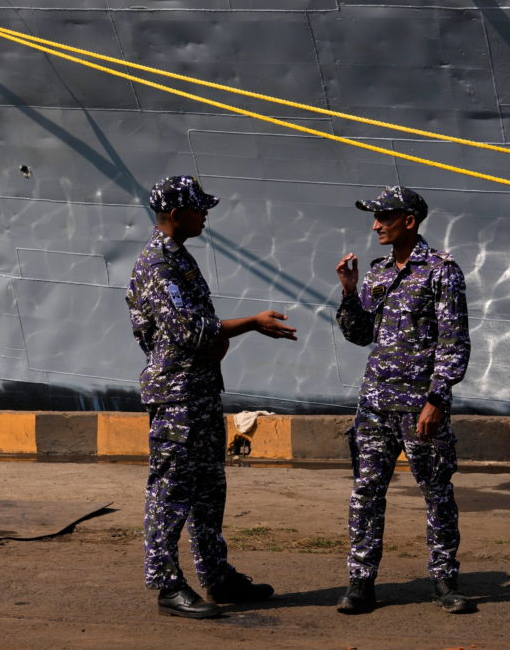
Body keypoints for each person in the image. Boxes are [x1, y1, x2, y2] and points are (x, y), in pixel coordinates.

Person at [126, 175, 298, 618]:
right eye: (199, 209)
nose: (205, 215)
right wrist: (251, 324)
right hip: (177, 396)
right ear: (176, 213)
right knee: (171, 489)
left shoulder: (179, 258)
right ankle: (167, 585)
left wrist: (215, 342)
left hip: (198, 390)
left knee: (208, 488)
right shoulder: (158, 264)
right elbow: (189, 330)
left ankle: (216, 575)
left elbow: (195, 330)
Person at [334, 186, 475, 615]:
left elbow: (454, 341)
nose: (375, 225)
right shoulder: (377, 273)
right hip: (375, 403)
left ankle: (445, 580)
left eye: (384, 217)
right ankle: (361, 583)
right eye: (375, 217)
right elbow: (360, 335)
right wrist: (349, 293)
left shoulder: (441, 271)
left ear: (409, 221)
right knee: (366, 493)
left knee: (436, 493)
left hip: (419, 405)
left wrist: (436, 399)